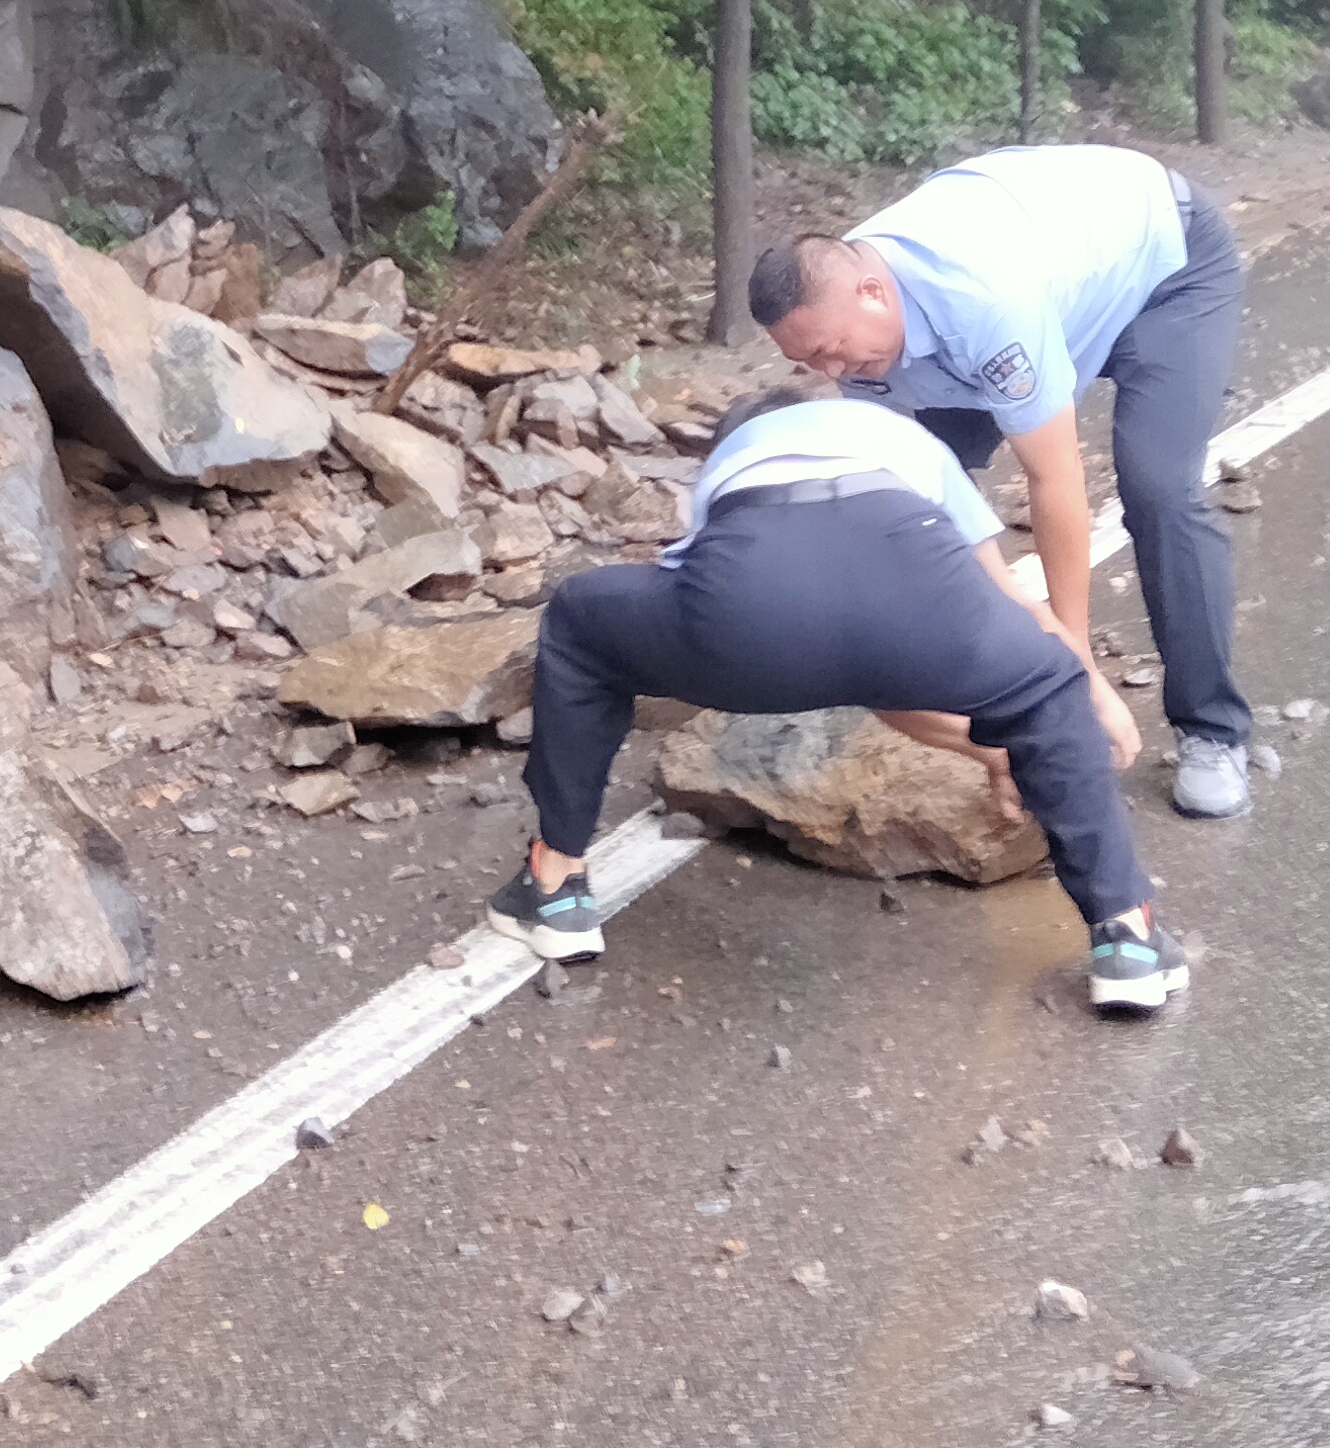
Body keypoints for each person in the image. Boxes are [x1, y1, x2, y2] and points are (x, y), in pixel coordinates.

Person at [482, 388, 1187, 1014]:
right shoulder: (907, 442)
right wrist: (1062, 706)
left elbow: (711, 584)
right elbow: (991, 606)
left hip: (751, 625)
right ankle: (1125, 934)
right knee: (1046, 685)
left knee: (579, 617)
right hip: (922, 601)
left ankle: (557, 885)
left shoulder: (735, 461)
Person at [745, 142, 1261, 821]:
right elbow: (915, 495)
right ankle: (973, 683)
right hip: (1047, 288)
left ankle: (1212, 731)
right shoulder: (851, 328)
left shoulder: (979, 300)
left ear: (874, 293)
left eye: (832, 349)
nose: (830, 369)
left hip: (1164, 270)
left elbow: (1055, 481)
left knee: (1158, 488)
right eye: (808, 360)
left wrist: (1068, 667)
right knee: (905, 512)